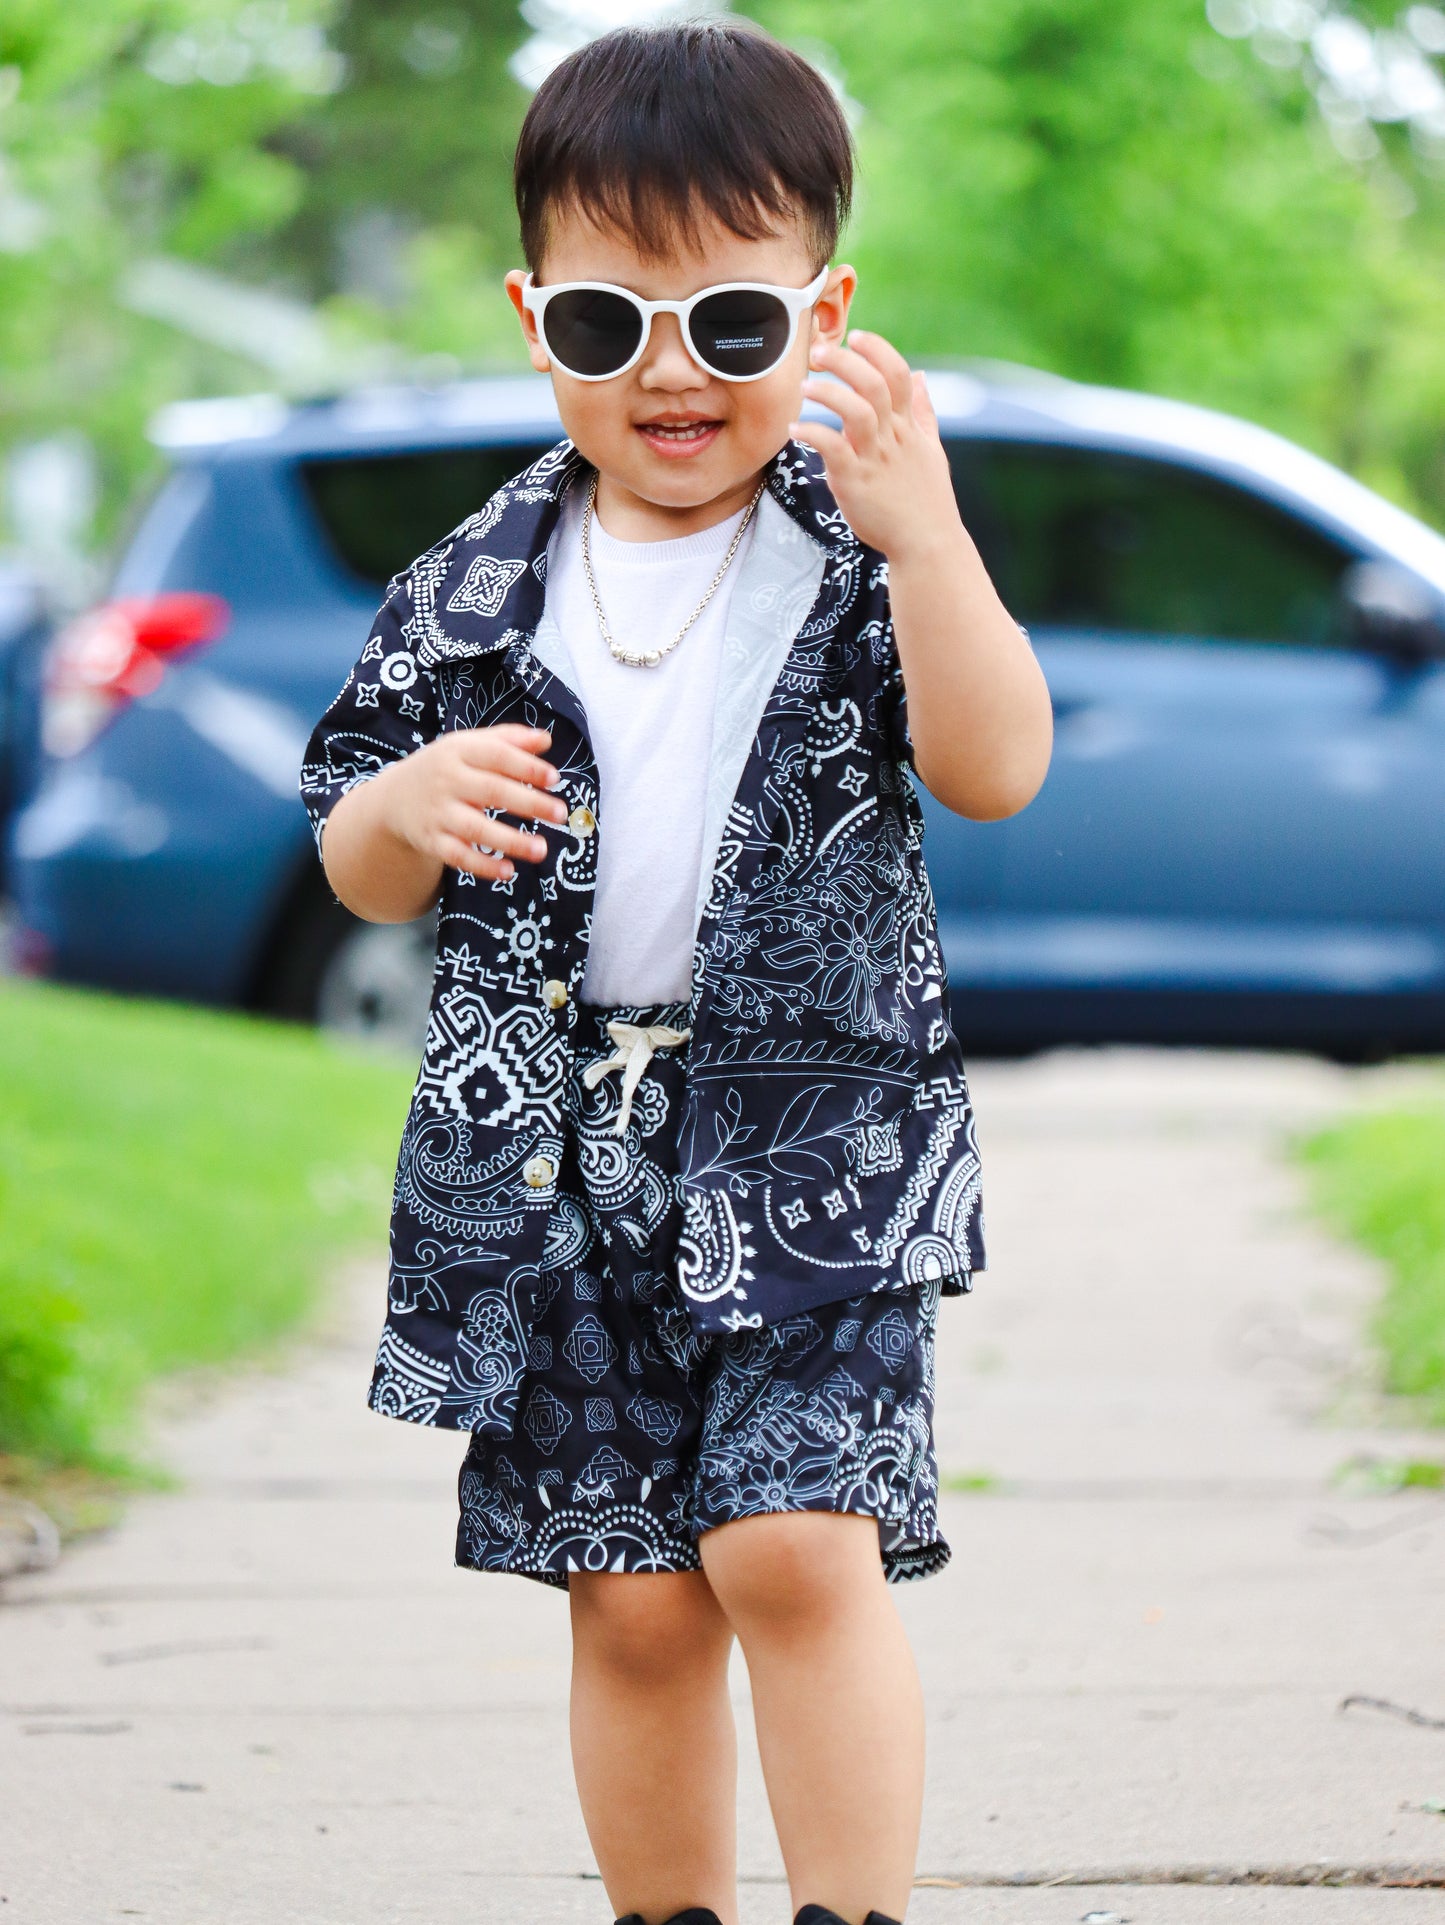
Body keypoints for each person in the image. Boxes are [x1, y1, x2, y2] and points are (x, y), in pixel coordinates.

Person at [301, 21, 1051, 1925]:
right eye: (599, 324)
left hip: (815, 1137)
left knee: (797, 1545)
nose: (665, 374)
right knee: (632, 1592)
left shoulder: (858, 555)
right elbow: (351, 860)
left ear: (820, 312)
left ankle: (853, 1908)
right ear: (528, 312)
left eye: (726, 324)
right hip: (554, 1158)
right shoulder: (469, 588)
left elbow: (994, 767)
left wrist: (934, 536)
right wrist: (409, 797)